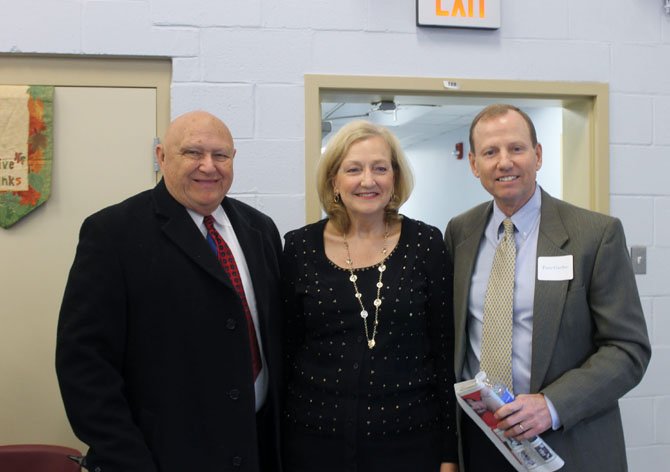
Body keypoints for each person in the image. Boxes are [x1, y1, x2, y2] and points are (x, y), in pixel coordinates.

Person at [56, 111, 283, 472]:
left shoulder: (260, 230)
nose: (208, 166)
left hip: (256, 449)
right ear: (162, 157)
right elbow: (84, 365)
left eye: (220, 155)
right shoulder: (113, 233)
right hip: (162, 456)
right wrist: (128, 461)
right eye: (192, 153)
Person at [444, 104, 651, 471]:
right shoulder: (460, 232)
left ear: (537, 156)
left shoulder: (595, 235)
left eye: (516, 149)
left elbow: (628, 349)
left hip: (565, 443)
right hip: (480, 444)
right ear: (474, 165)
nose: (504, 162)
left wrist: (551, 404)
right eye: (491, 152)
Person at [281, 120, 459, 472]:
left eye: (380, 168)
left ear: (394, 178)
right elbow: (286, 350)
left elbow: (444, 353)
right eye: (353, 169)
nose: (368, 180)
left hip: (410, 442)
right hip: (314, 443)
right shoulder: (299, 247)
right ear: (334, 181)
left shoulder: (426, 243)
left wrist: (449, 453)